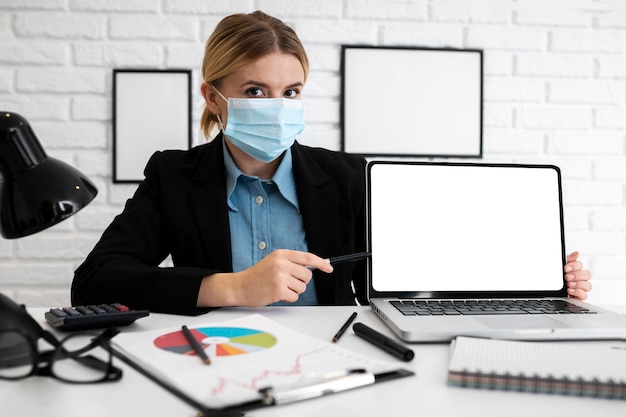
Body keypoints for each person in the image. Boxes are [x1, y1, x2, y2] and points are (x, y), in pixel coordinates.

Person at [71, 11, 592, 315]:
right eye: (256, 91)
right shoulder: (174, 175)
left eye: (291, 91)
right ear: (213, 97)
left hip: (341, 366)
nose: (276, 106)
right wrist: (229, 287)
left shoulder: (347, 176)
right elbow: (94, 281)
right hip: (219, 364)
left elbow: (421, 276)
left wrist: (539, 281)